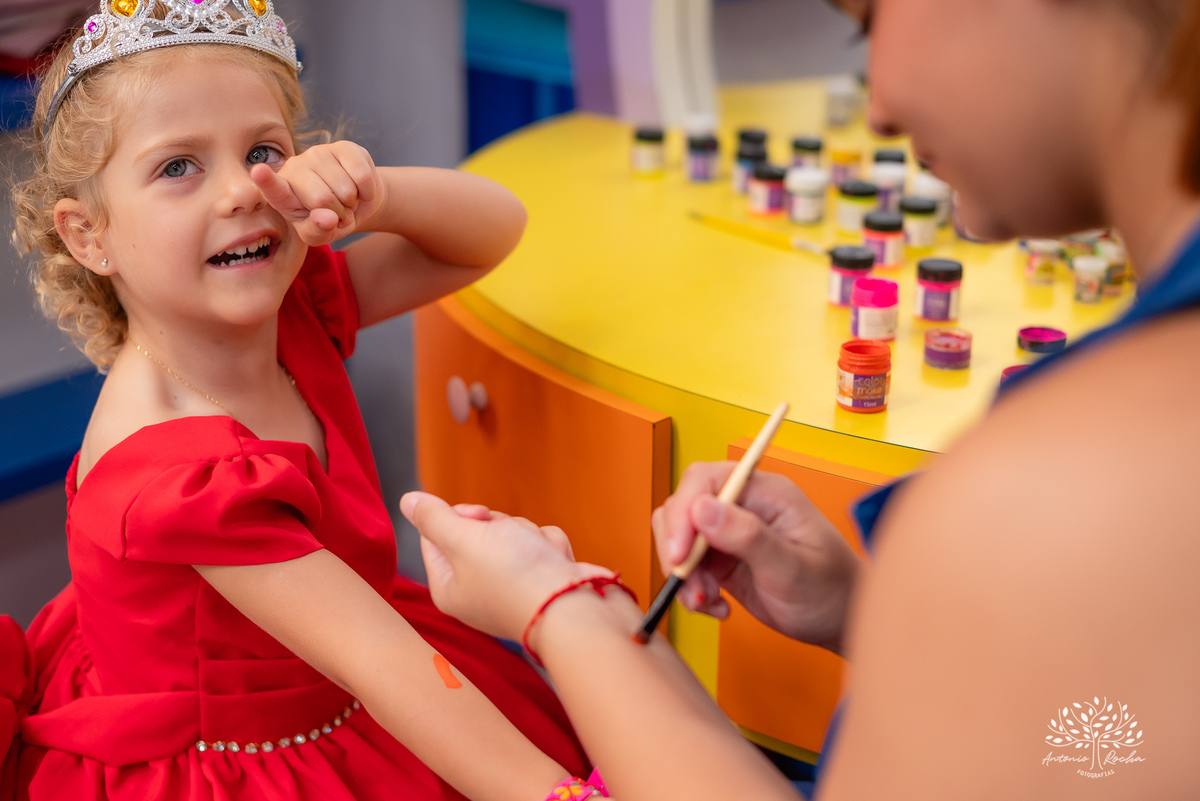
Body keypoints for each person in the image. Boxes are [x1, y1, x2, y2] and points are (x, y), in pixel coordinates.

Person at [399, 0, 1200, 798]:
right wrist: (875, 610)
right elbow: (1083, 729)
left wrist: (562, 614)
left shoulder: (1076, 479)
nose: (878, 107)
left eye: (869, 21)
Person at [0, 2, 599, 799]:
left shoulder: (294, 312)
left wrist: (377, 196)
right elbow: (387, 665)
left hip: (353, 660)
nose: (240, 192)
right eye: (178, 166)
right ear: (87, 234)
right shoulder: (176, 470)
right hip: (240, 755)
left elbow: (494, 230)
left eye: (261, 151)